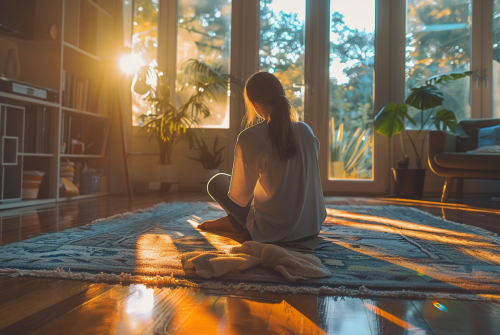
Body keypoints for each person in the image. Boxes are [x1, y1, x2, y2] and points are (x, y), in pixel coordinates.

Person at [198, 71, 326, 243]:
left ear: (254, 103)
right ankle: (235, 224)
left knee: (216, 182)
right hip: (311, 228)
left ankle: (236, 224)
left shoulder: (250, 136)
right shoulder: (305, 130)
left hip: (273, 233)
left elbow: (240, 197)